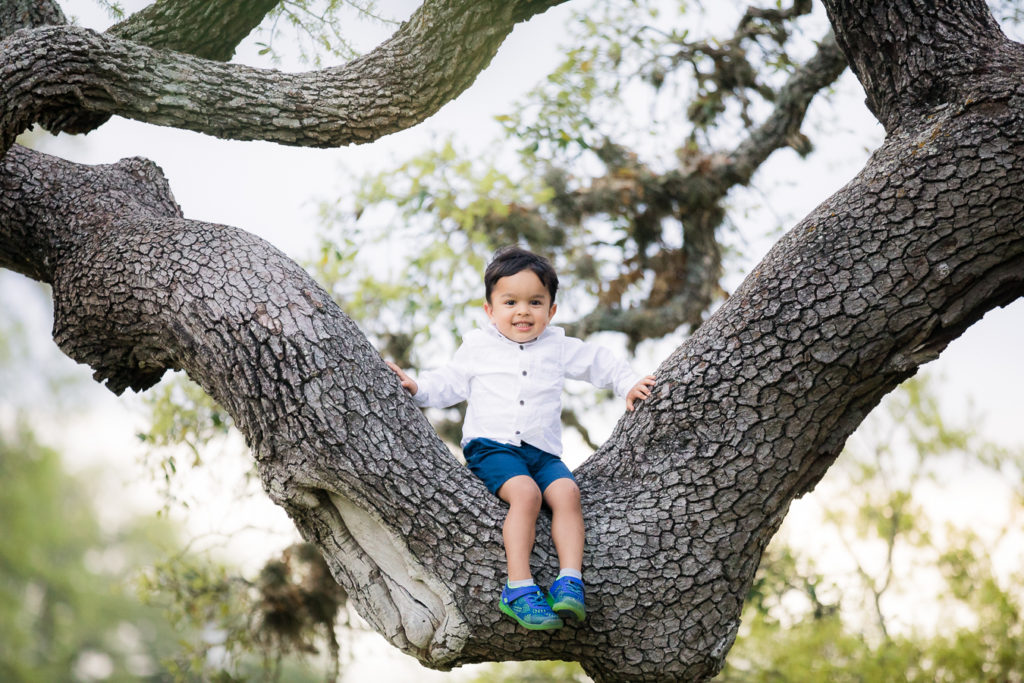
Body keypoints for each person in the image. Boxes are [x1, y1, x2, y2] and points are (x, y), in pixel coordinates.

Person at [387, 246, 656, 630]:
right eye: (510, 301)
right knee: (527, 495)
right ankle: (519, 587)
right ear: (490, 310)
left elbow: (601, 362)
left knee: (567, 494)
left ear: (552, 310)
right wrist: (416, 386)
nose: (522, 311)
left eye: (535, 302)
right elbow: (448, 381)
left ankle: (569, 581)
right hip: (491, 447)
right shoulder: (478, 347)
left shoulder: (559, 347)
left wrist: (628, 382)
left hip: (542, 451)